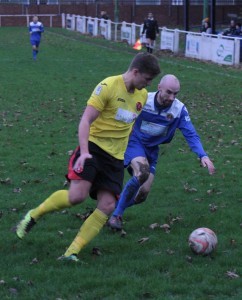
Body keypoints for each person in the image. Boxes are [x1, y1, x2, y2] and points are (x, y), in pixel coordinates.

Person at [15, 53, 161, 262]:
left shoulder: (142, 95)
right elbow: (85, 120)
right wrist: (84, 152)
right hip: (93, 148)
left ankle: (71, 252)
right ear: (135, 72)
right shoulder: (108, 86)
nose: (148, 84)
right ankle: (34, 215)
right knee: (77, 196)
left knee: (108, 205)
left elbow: (127, 127)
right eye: (147, 79)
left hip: (115, 158)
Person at [108, 74, 215, 230]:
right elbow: (121, 113)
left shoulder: (179, 110)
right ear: (159, 88)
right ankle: (116, 215)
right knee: (142, 172)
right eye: (169, 92)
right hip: (134, 143)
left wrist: (202, 155)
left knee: (143, 194)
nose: (172, 97)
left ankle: (110, 207)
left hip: (152, 150)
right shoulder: (144, 100)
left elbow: (190, 133)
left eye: (175, 93)